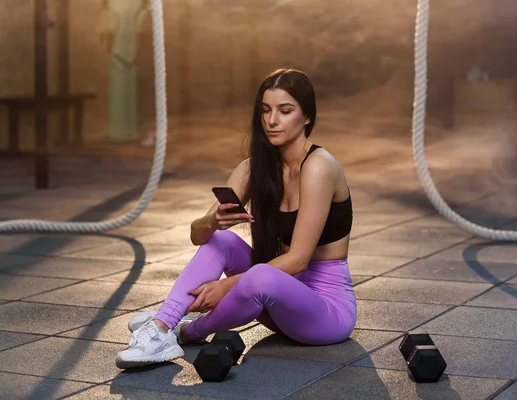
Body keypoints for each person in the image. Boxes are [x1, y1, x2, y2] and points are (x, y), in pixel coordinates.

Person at [116, 68, 356, 369]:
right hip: (276, 300)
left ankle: (186, 331)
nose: (272, 120)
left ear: (307, 116)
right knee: (222, 241)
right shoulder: (252, 169)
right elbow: (197, 235)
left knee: (260, 275)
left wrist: (226, 286)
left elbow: (297, 262)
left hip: (326, 312)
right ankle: (161, 327)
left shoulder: (320, 166)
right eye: (266, 110)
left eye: (285, 111)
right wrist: (213, 221)